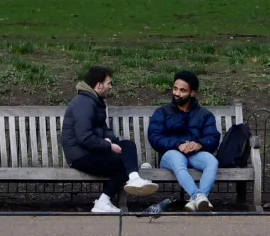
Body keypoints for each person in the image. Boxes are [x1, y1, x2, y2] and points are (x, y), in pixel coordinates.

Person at [62, 66, 158, 213]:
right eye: (109, 83)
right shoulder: (84, 103)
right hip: (80, 156)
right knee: (123, 162)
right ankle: (104, 201)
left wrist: (111, 140)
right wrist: (109, 146)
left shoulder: (94, 101)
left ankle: (133, 179)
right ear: (99, 85)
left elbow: (103, 129)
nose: (110, 86)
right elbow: (84, 138)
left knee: (128, 146)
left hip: (89, 151)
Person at [148, 70, 221, 212]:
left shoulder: (204, 115)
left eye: (182, 90)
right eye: (175, 88)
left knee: (212, 161)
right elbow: (155, 137)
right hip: (170, 154)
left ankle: (195, 202)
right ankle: (198, 196)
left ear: (192, 93)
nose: (177, 93)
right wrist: (178, 145)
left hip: (194, 154)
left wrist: (199, 144)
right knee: (177, 159)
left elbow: (212, 137)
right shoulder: (162, 112)